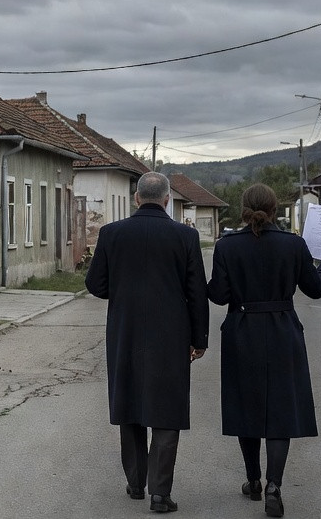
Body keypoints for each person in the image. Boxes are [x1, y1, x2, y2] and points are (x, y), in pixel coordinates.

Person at [208, 183, 321, 518]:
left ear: (243, 208)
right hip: (282, 332)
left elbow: (219, 296)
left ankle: (252, 480)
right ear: (275, 209)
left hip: (241, 331)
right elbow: (316, 288)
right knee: (279, 411)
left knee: (245, 406)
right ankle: (274, 487)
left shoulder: (227, 246)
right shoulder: (294, 245)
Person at [85, 171, 208, 513]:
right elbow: (197, 292)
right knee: (166, 412)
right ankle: (160, 493)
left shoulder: (111, 234)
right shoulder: (185, 236)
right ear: (167, 199)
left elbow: (95, 284)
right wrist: (199, 339)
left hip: (125, 332)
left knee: (130, 404)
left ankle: (135, 483)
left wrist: (123, 292)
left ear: (136, 198)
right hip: (171, 336)